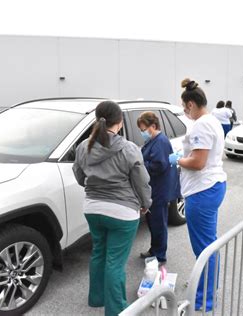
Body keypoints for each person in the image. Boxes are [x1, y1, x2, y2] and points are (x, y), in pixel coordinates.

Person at [72, 101, 152, 316]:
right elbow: (141, 181)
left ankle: (97, 297)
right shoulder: (129, 148)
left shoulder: (82, 147)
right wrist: (146, 204)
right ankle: (116, 310)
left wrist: (95, 186)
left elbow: (79, 176)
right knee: (115, 262)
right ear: (120, 122)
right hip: (122, 211)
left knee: (99, 252)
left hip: (92, 208)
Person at [168, 78, 227, 312]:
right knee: (208, 244)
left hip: (202, 190)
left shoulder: (202, 124)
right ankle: (206, 288)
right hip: (210, 187)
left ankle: (203, 300)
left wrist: (179, 160)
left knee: (204, 248)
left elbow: (198, 162)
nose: (184, 111)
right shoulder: (211, 120)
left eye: (184, 107)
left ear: (191, 104)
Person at [137, 111, 180, 265]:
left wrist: (140, 165)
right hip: (153, 189)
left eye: (143, 130)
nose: (142, 133)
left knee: (158, 223)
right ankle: (154, 250)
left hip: (159, 189)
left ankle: (159, 255)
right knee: (153, 222)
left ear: (153, 126)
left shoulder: (160, 141)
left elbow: (159, 165)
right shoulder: (153, 140)